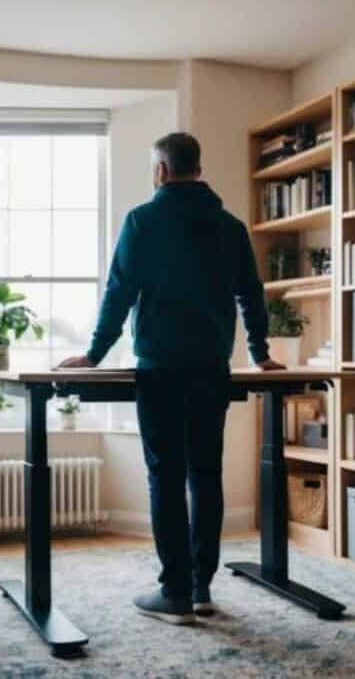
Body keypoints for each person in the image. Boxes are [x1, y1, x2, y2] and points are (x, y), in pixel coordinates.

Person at [58, 132, 282, 625]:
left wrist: (94, 354)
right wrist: (260, 352)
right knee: (206, 474)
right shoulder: (230, 226)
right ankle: (201, 588)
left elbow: (120, 292)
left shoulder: (143, 220)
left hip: (160, 371)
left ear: (161, 170)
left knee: (166, 475)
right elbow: (252, 292)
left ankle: (175, 593)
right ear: (198, 167)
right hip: (211, 370)